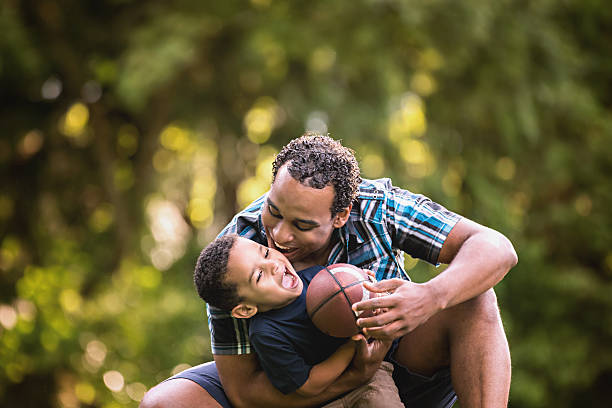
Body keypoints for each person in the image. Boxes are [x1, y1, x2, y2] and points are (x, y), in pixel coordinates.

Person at [141, 133, 518, 408]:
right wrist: (353, 376)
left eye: (302, 225)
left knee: (474, 297)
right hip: (293, 385)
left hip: (394, 357)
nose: (279, 235)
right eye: (273, 210)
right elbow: (243, 392)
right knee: (166, 403)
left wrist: (429, 297)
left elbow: (496, 248)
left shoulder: (378, 208)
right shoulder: (236, 254)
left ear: (341, 215)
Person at [191, 233, 404, 408]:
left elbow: (364, 302)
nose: (273, 266)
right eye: (258, 276)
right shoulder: (266, 333)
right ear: (246, 309)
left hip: (372, 380)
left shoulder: (321, 278)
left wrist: (364, 286)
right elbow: (307, 386)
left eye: (265, 253)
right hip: (320, 400)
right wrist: (350, 347)